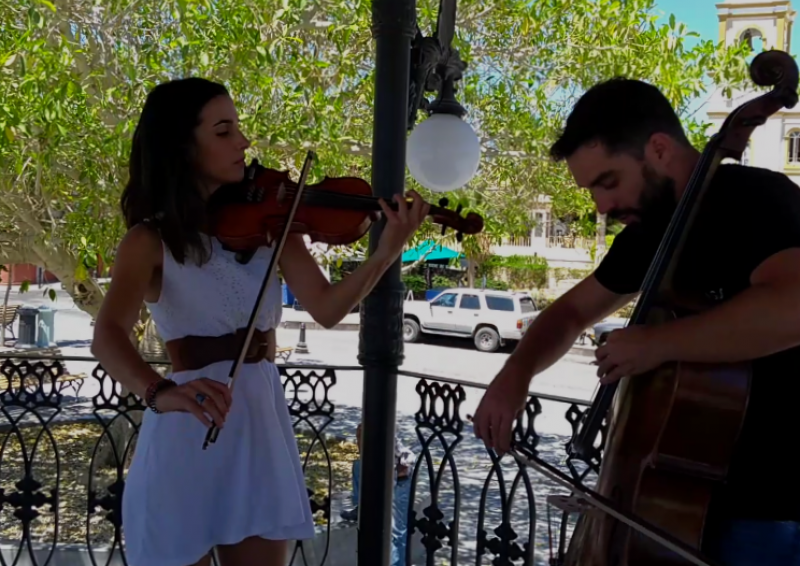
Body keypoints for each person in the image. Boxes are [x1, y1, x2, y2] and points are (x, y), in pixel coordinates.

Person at [91, 77, 429, 566]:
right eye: (224, 131)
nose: (244, 143)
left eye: (238, 129)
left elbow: (328, 308)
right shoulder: (149, 241)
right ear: (181, 147)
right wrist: (160, 392)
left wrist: (387, 251)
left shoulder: (275, 227)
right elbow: (107, 335)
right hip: (189, 424)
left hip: (258, 426)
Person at [472, 77, 800, 566]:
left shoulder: (759, 199)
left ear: (660, 149)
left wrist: (659, 343)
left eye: (608, 182)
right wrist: (514, 374)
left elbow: (792, 307)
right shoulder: (650, 234)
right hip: (670, 502)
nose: (601, 207)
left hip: (766, 510)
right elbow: (570, 312)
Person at [340, 422, 414, 566]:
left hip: (396, 490)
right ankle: (361, 508)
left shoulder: (402, 454)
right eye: (358, 438)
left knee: (395, 536)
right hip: (379, 491)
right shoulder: (364, 462)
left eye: (361, 438)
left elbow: (405, 465)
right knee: (359, 466)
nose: (358, 442)